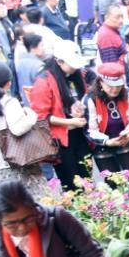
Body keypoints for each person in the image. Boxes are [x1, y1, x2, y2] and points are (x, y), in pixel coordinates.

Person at [29, 40, 90, 191]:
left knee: (87, 179)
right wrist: (69, 122)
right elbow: (41, 116)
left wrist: (78, 109)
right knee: (72, 184)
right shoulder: (43, 81)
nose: (75, 67)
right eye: (71, 64)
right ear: (59, 61)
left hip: (80, 133)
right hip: (61, 140)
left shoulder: (76, 74)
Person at [0, 61, 49, 197]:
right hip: (16, 163)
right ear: (8, 82)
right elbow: (18, 129)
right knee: (33, 202)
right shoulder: (9, 101)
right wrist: (30, 114)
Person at [84, 62, 129, 173]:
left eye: (118, 86)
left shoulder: (127, 93)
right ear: (100, 82)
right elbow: (90, 130)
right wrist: (107, 141)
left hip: (125, 140)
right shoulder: (90, 99)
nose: (115, 89)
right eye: (110, 86)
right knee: (112, 182)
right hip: (102, 147)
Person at [14, 34, 44, 107]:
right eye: (41, 45)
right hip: (40, 106)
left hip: (27, 104)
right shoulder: (39, 66)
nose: (43, 48)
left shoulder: (21, 62)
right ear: (33, 48)